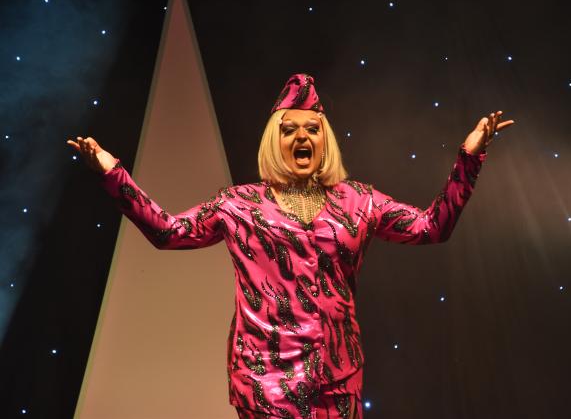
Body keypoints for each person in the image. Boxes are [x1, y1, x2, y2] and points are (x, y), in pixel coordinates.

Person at [67, 73, 514, 419]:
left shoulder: (359, 201)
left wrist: (469, 159)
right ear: (275, 141)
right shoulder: (239, 204)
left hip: (337, 379)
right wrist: (113, 174)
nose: (302, 137)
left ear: (324, 140)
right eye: (290, 130)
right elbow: (168, 231)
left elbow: (432, 226)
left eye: (312, 129)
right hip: (265, 381)